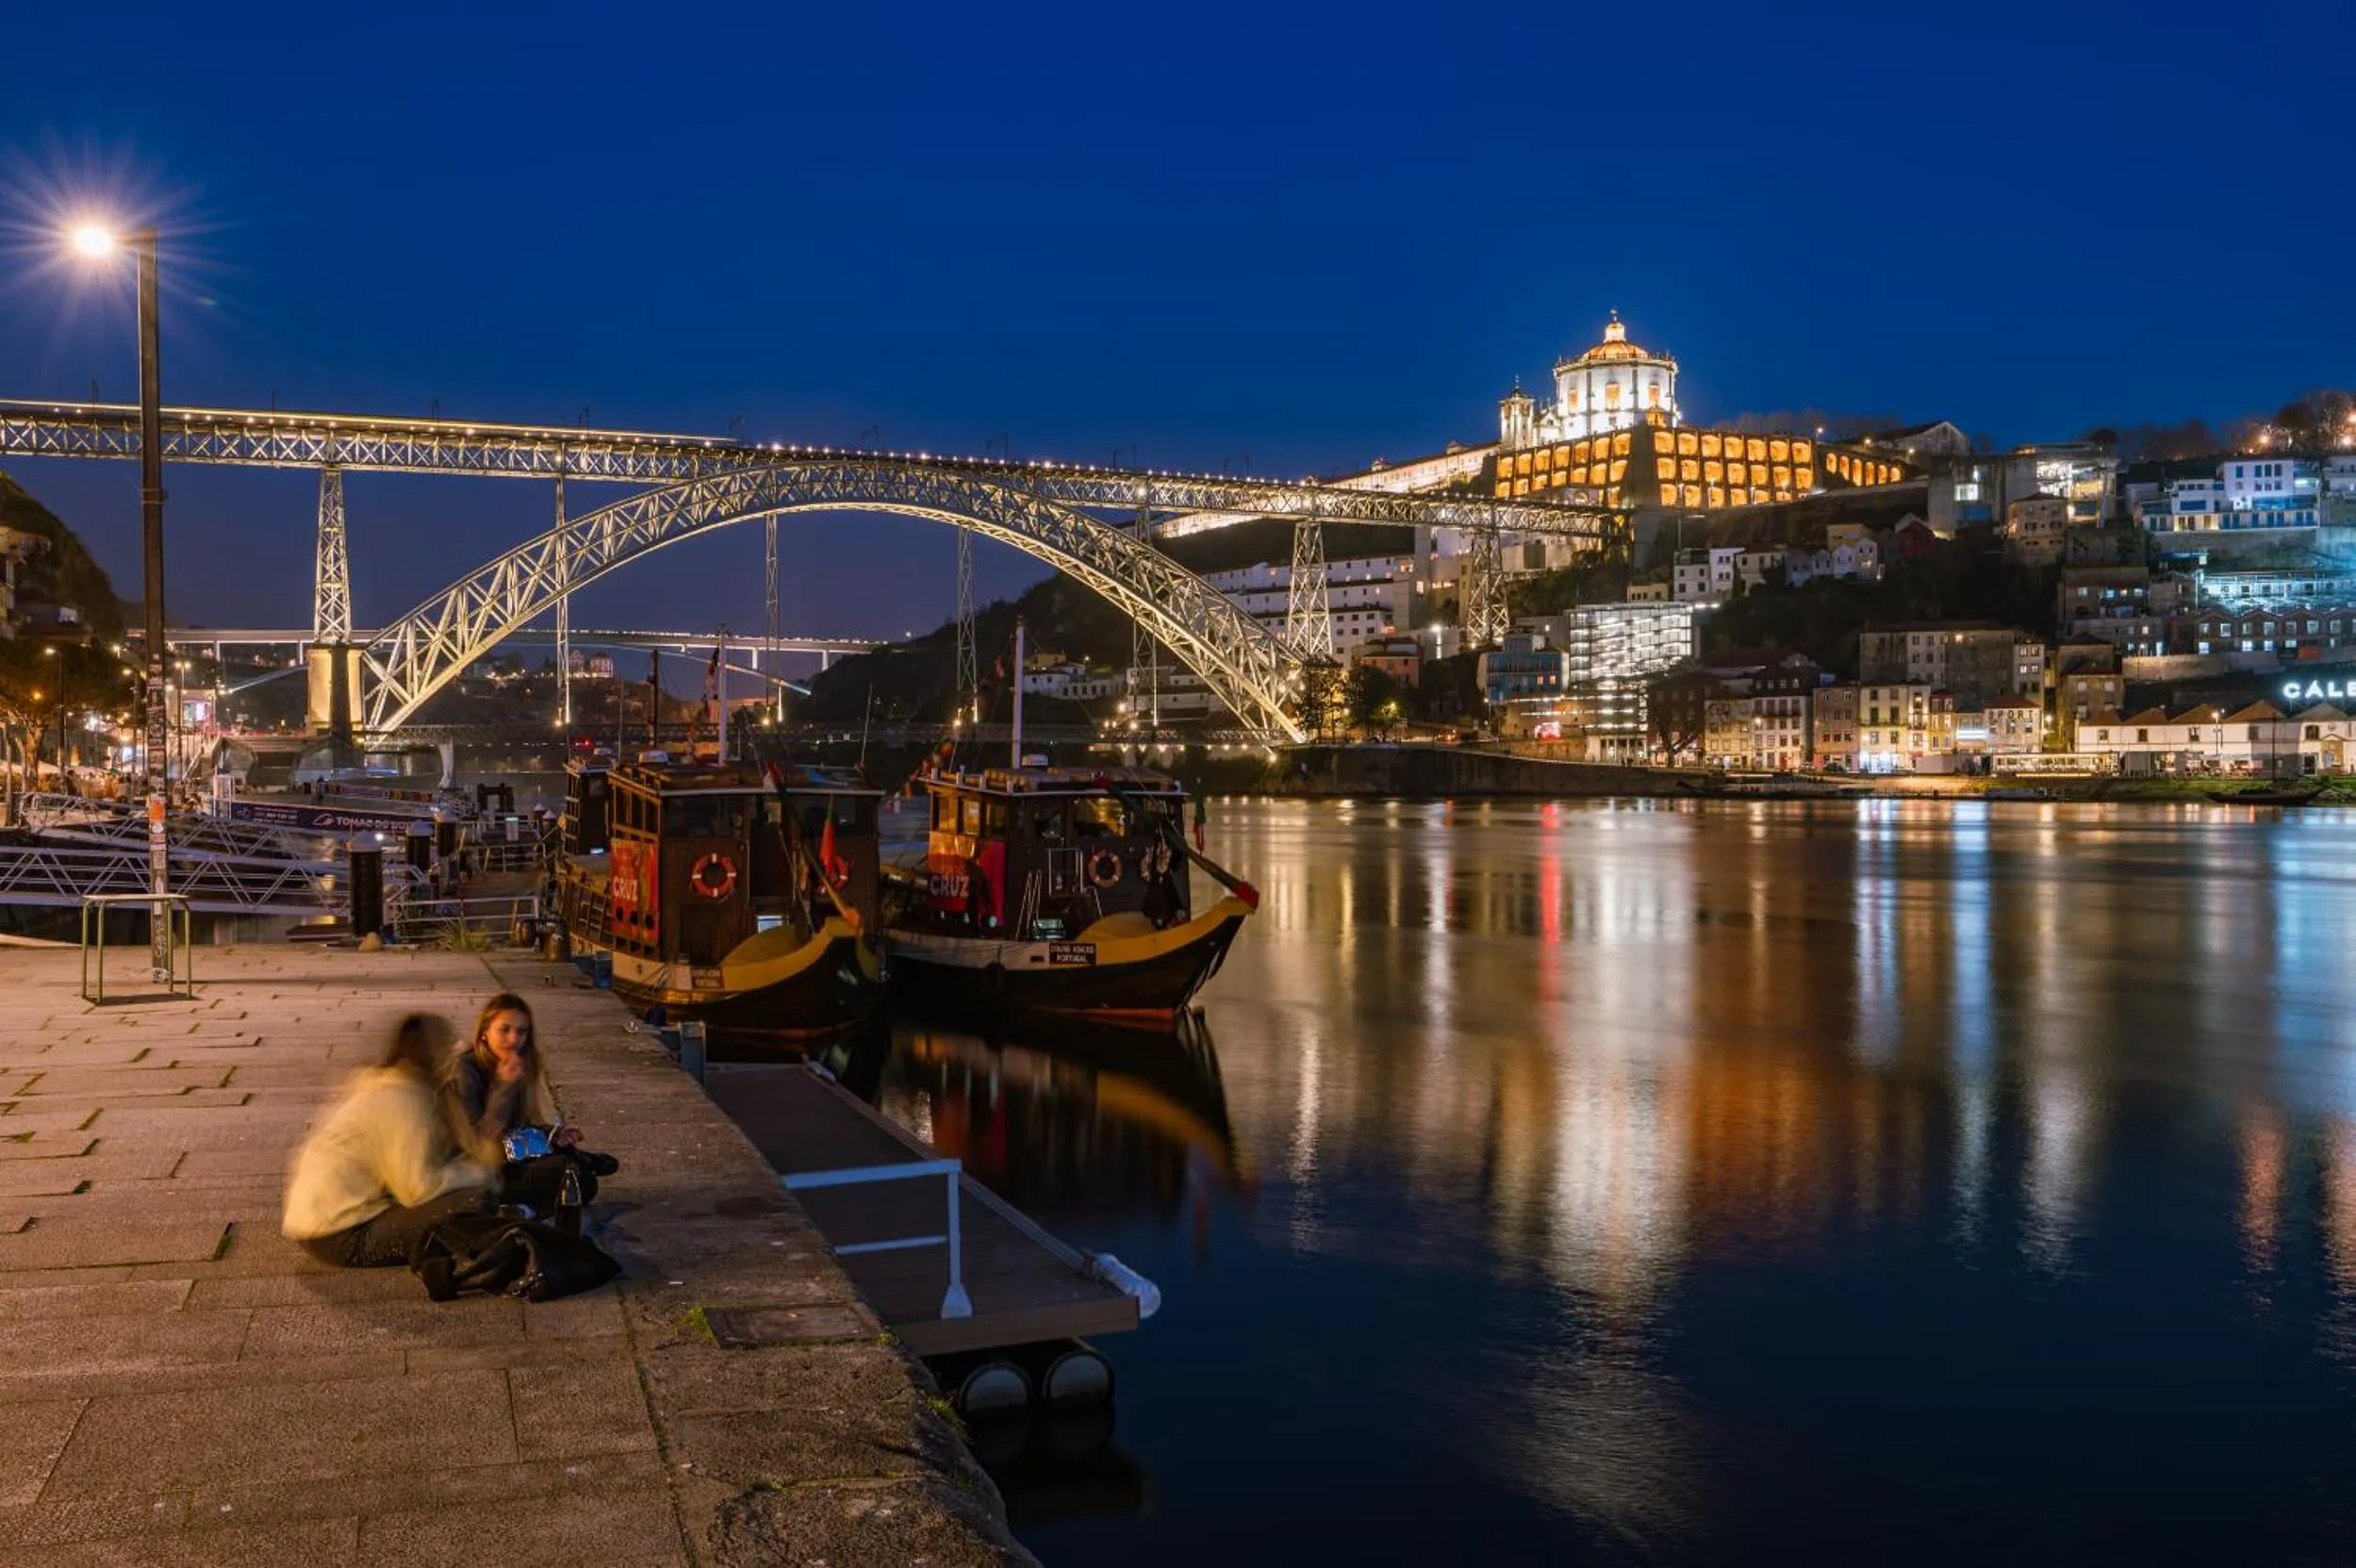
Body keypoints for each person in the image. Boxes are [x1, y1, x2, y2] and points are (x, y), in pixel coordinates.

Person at [282, 1014, 497, 1268]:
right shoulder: (403, 1101)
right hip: (342, 1235)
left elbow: (451, 1147)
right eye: (450, 1046)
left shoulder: (393, 1085)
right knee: (476, 1201)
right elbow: (418, 1189)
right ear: (431, 1055)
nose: (457, 1054)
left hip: (317, 1224)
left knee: (475, 1196)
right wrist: (477, 1172)